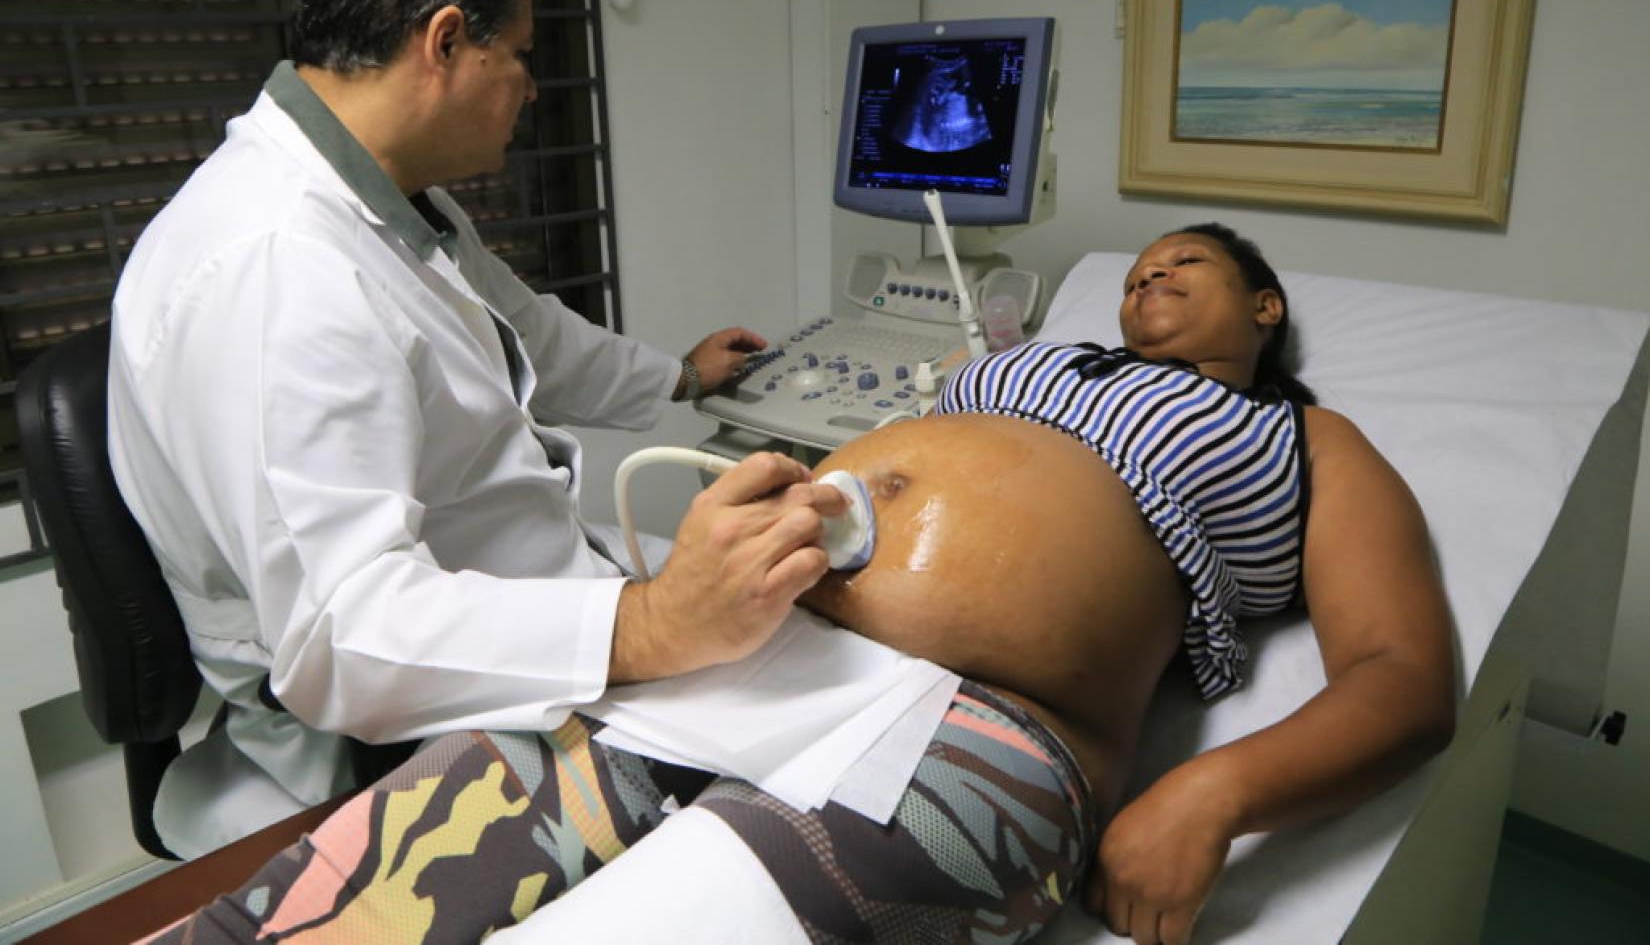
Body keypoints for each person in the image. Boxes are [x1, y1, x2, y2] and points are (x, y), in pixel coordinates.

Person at [142, 223, 1456, 945]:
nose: (1150, 274)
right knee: (310, 909)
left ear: (1266, 308)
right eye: (1142, 263)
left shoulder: (1304, 437)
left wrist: (1212, 793)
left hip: (980, 727)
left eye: (1191, 265)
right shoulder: (1027, 356)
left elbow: (1403, 677)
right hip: (732, 660)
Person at [106, 0, 848, 859]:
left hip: (539, 601)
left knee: (814, 650)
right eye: (522, 55)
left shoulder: (384, 196)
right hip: (399, 725)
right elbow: (346, 639)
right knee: (794, 818)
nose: (533, 90)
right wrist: (654, 624)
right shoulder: (280, 266)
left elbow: (523, 333)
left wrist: (680, 376)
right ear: (447, 42)